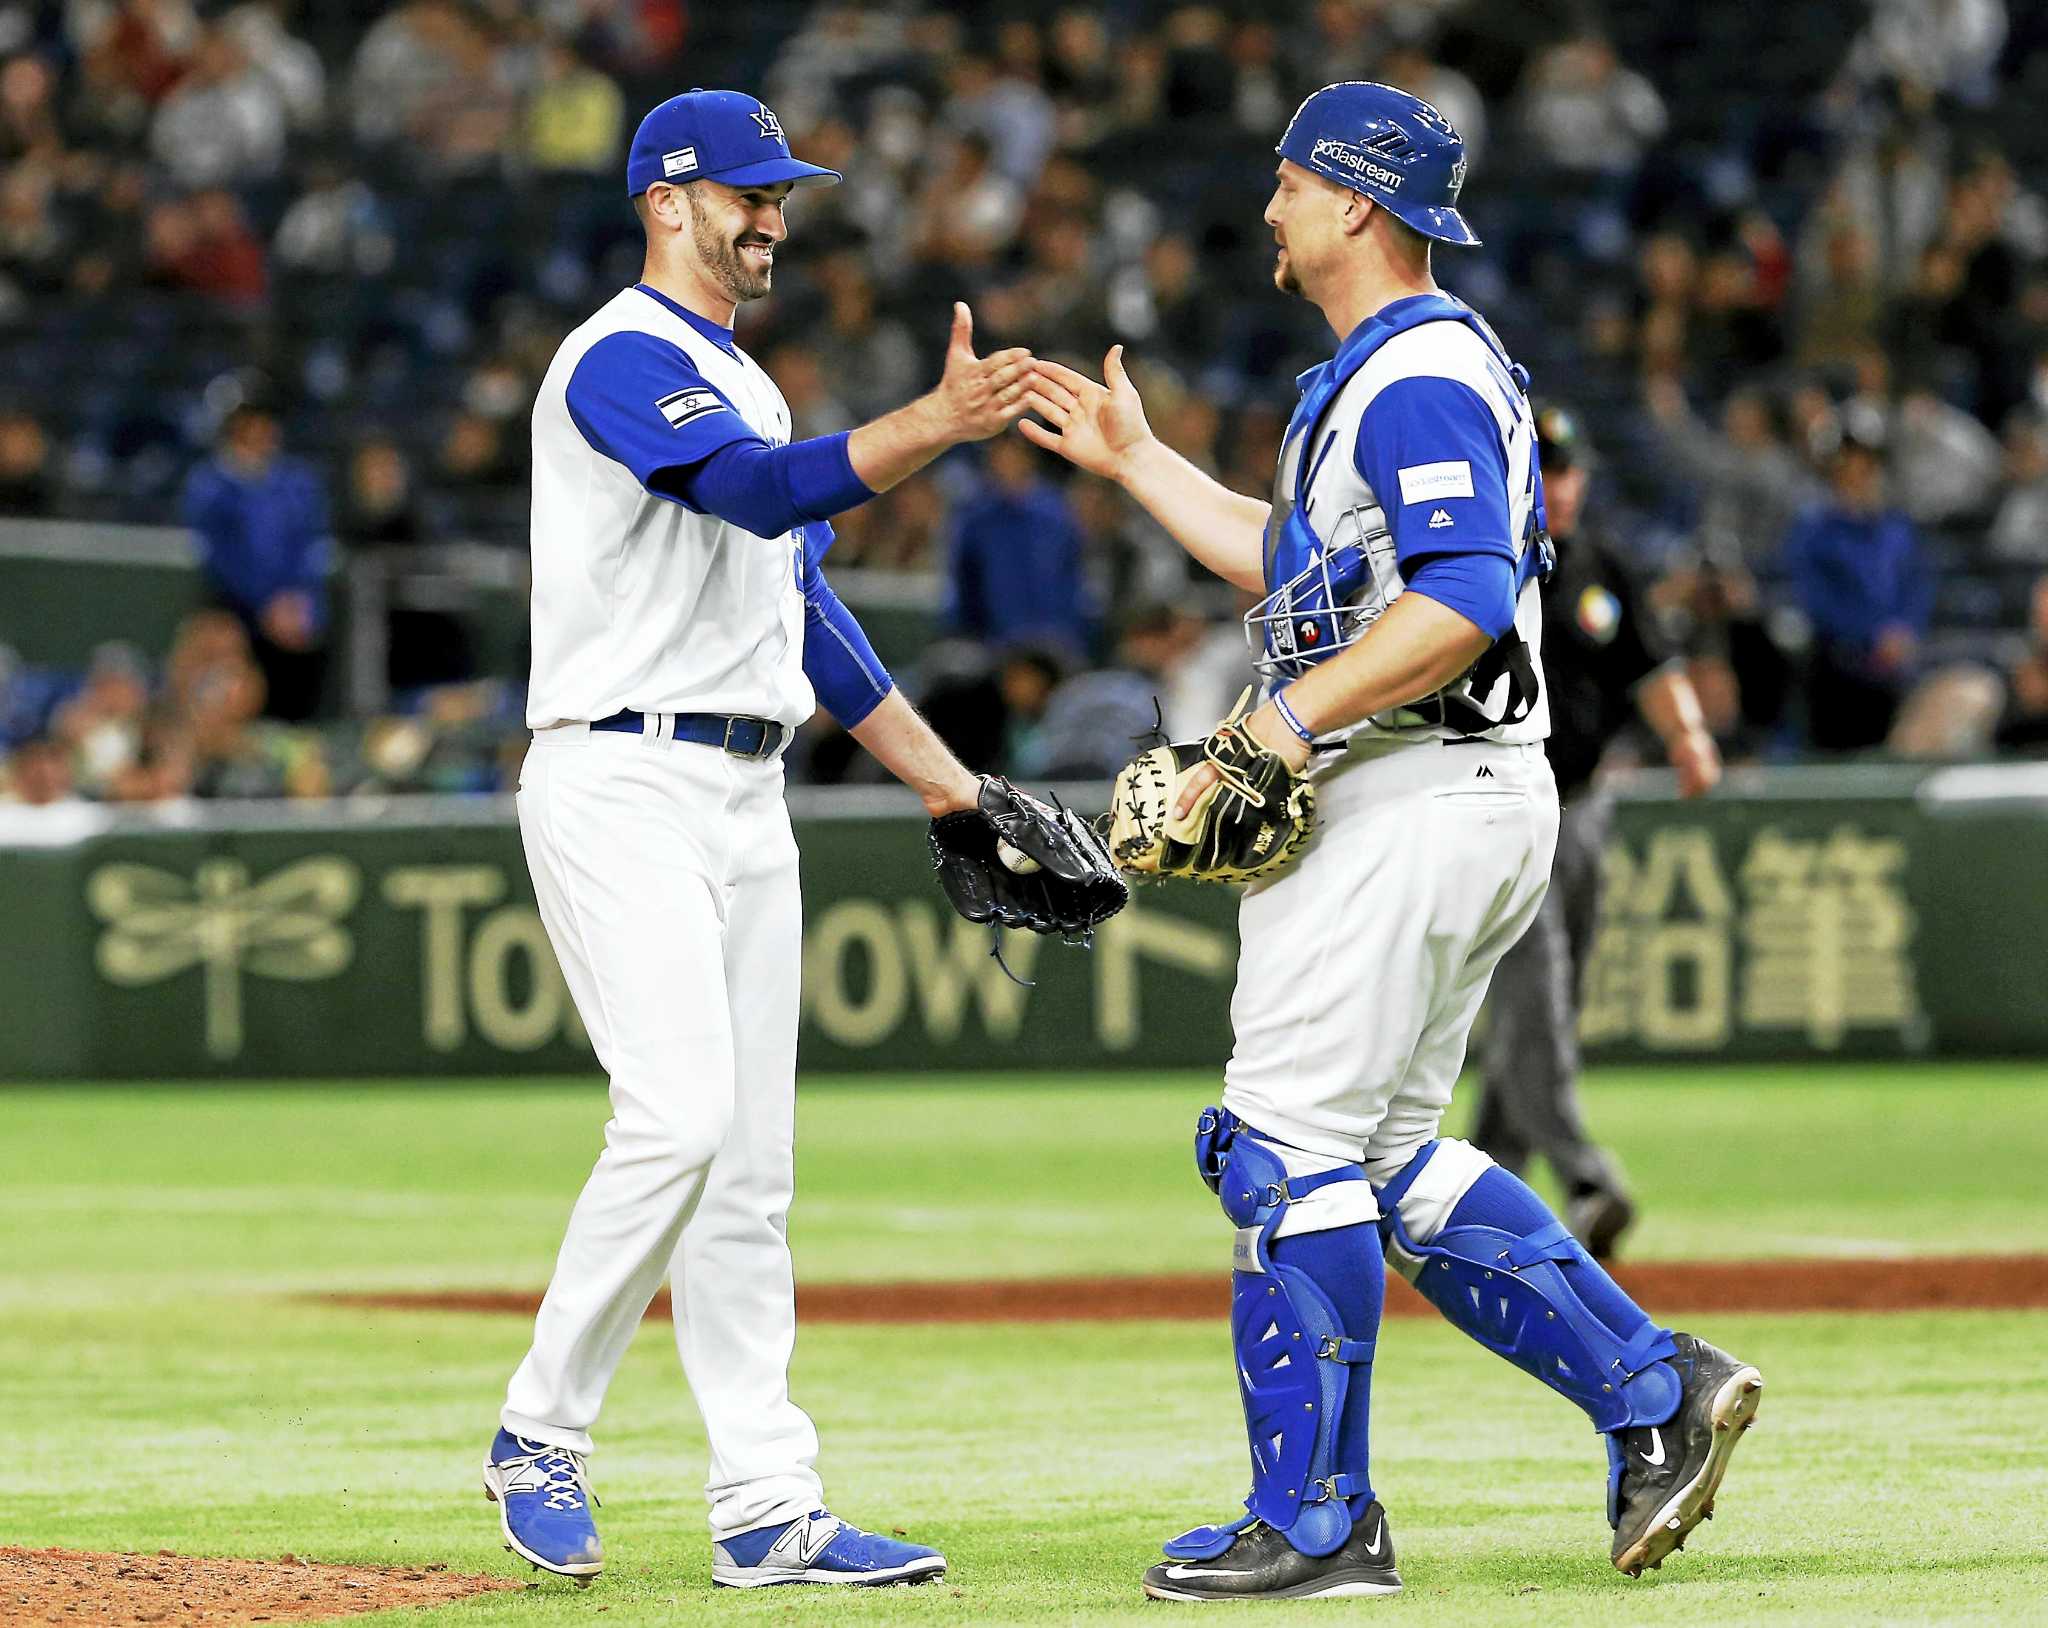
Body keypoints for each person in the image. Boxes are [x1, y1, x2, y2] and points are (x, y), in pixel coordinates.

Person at [1020, 82, 1762, 1601]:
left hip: (1410, 790)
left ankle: (1312, 1523)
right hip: (1463, 792)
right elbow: (1298, 567)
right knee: (1387, 1160)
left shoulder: (1417, 372)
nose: (1274, 207)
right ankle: (1656, 1394)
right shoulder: (1386, 374)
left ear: (1357, 201)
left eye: (1292, 183)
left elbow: (1464, 596)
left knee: (1278, 1149)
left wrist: (1281, 731)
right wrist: (1138, 462)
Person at [487, 89, 1040, 1591]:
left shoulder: (747, 379)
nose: (774, 216)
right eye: (748, 190)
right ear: (666, 199)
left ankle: (766, 1506)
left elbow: (801, 614)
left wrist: (951, 786)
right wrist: (937, 422)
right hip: (619, 776)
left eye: (780, 191)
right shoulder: (618, 357)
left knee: (749, 1173)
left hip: (745, 788)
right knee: (675, 1117)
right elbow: (743, 492)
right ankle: (540, 1427)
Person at [1471, 405, 1722, 1261]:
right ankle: (1588, 1179)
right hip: (1505, 810)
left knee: (1549, 1009)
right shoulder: (1485, 566)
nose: (1561, 485)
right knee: (1537, 996)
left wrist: (1688, 739)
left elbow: (1650, 664)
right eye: (1545, 469)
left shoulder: (1599, 570)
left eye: (1569, 469)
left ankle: (1480, 1184)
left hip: (1583, 810)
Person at [1779, 414, 1931, 752]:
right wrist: (1872, 635)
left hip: (1894, 668)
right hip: (1839, 670)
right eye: (1849, 461)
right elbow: (1817, 599)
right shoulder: (1813, 529)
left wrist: (1904, 630)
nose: (1858, 471)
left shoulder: (1896, 527)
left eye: (1866, 462)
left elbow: (1916, 585)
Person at [179, 396, 331, 721]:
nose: (260, 432)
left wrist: (302, 602)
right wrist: (265, 604)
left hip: (293, 609)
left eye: (265, 424)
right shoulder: (209, 485)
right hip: (235, 609)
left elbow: (309, 546)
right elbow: (219, 556)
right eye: (250, 424)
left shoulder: (297, 482)